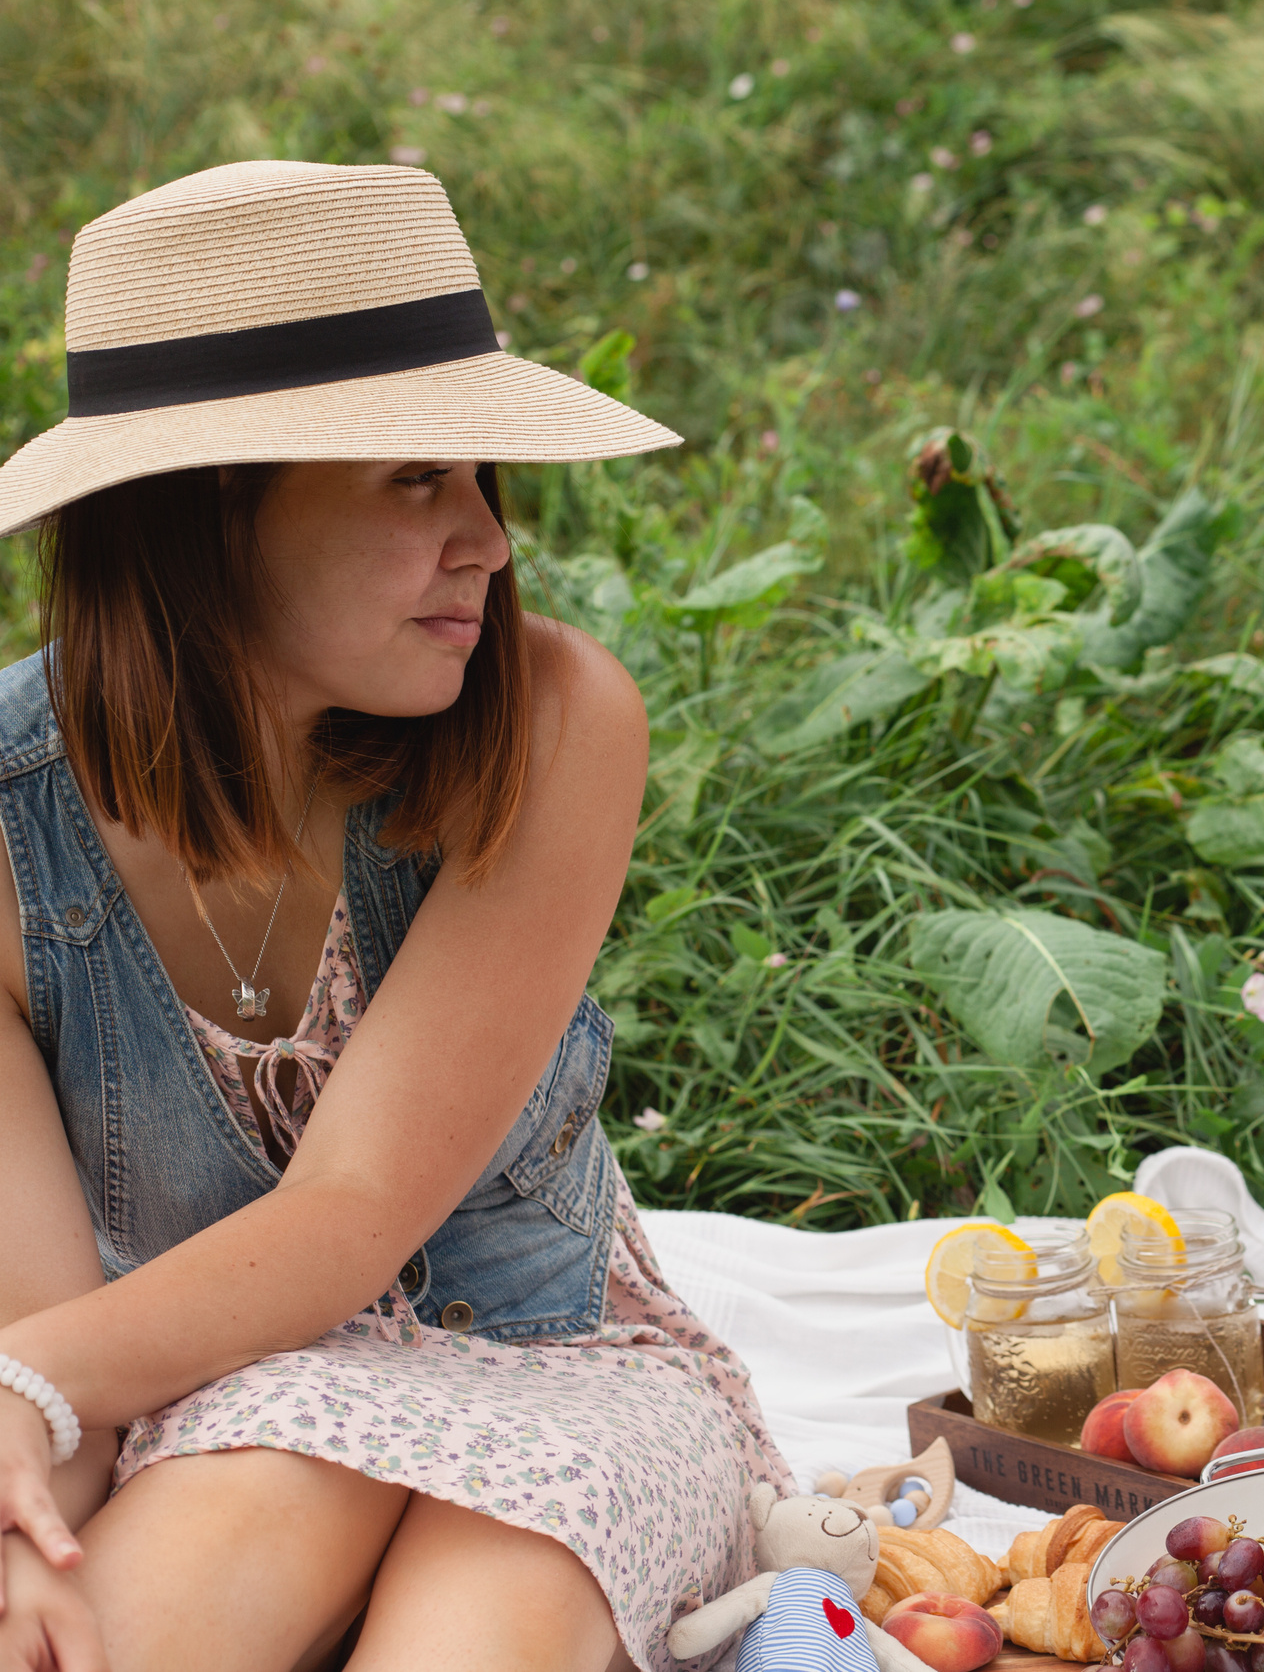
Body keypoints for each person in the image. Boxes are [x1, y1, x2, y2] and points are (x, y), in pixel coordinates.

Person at [0, 162, 787, 1671]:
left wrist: (10, 1397)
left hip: (561, 1372)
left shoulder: (555, 721)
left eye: (485, 480)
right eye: (419, 479)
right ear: (208, 505)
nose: (488, 540)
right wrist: (19, 1495)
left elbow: (352, 1216)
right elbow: (50, 1335)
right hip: (221, 1399)